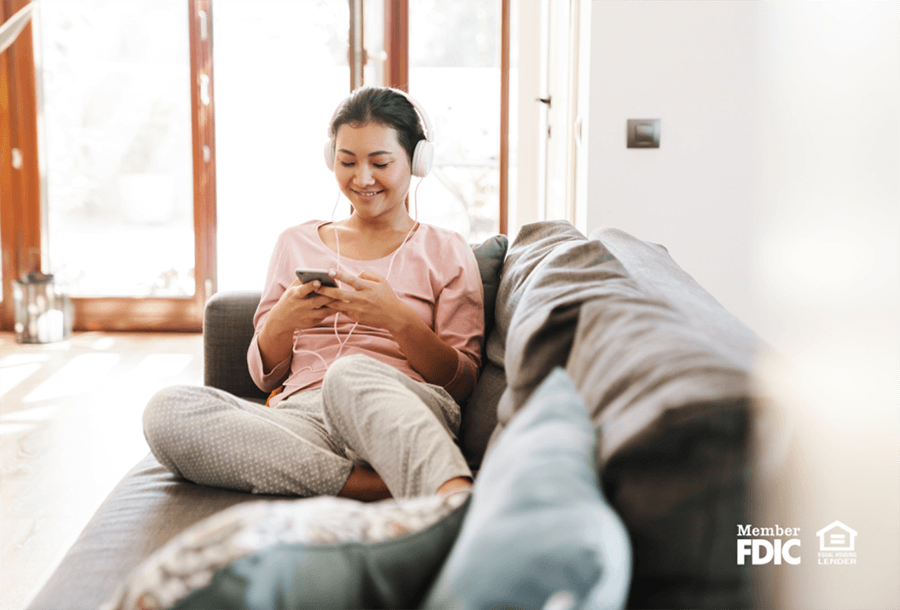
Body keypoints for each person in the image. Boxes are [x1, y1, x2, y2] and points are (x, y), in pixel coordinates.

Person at [143, 86, 484, 501]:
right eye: (347, 161)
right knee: (166, 410)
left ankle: (453, 496)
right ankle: (368, 485)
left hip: (399, 409)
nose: (362, 178)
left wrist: (396, 319)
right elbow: (262, 375)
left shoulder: (446, 249)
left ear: (417, 161)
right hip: (305, 418)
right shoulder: (296, 242)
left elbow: (461, 382)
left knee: (349, 374)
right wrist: (282, 323)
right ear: (331, 160)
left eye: (380, 162)